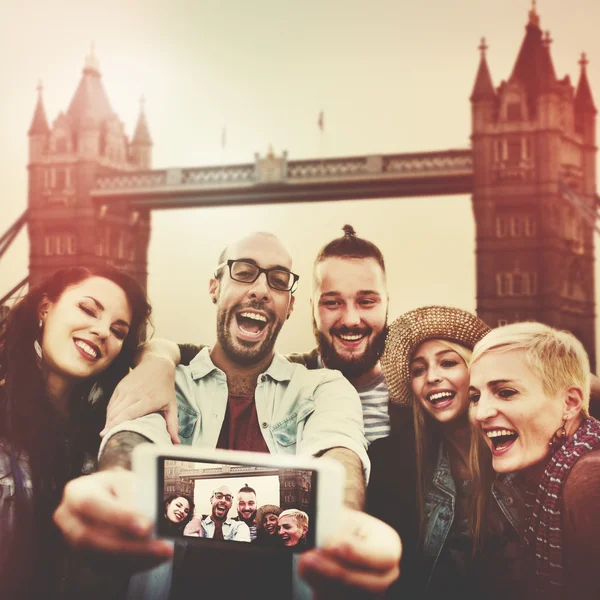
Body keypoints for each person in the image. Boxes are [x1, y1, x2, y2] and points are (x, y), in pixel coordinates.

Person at [54, 232, 400, 599]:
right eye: (244, 271)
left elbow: (339, 449)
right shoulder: (167, 380)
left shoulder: (324, 386)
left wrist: (342, 519)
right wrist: (115, 485)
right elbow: (134, 435)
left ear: (290, 306)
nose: (262, 290)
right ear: (214, 287)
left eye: (278, 281)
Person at [102, 224, 393, 444]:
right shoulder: (299, 377)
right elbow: (217, 359)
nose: (351, 319)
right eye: (332, 302)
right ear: (309, 309)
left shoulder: (418, 389)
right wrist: (157, 358)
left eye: (367, 301)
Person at [0, 265, 152, 600]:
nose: (101, 332)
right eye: (88, 309)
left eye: (118, 330)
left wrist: (161, 358)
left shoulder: (103, 434)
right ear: (45, 308)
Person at [368, 305, 493, 598]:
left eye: (448, 363)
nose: (432, 377)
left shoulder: (516, 450)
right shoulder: (396, 461)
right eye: (419, 370)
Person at [469, 322, 600, 599]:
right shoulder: (537, 478)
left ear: (570, 403)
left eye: (505, 392)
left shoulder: (589, 481)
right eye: (475, 396)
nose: (481, 413)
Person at [184, 485, 250, 541]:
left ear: (231, 504)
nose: (223, 500)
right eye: (219, 496)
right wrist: (196, 519)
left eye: (228, 498)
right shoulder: (200, 525)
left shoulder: (239, 527)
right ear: (211, 499)